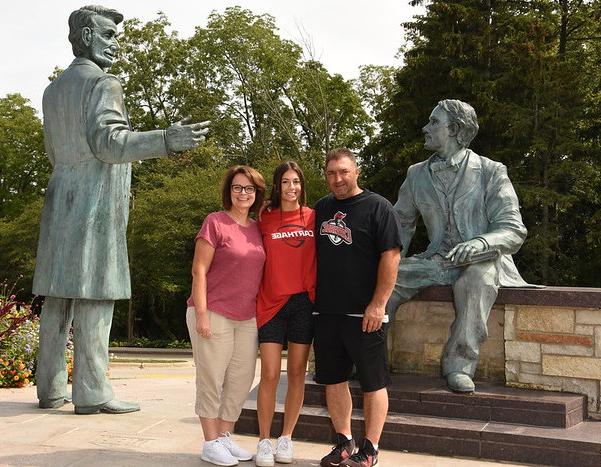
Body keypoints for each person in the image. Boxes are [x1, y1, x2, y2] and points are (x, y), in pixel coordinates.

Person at [33, 5, 209, 415]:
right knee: (95, 294)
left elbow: (52, 150)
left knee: (58, 298)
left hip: (60, 200)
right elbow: (110, 143)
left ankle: (50, 386)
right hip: (93, 201)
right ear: (88, 36)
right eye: (109, 35)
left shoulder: (52, 90)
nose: (116, 45)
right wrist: (167, 139)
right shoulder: (104, 83)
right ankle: (92, 392)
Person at [386, 99, 528, 393]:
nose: (425, 128)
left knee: (476, 279)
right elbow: (400, 223)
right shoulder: (416, 174)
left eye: (434, 122)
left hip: (483, 260)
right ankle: (371, 357)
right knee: (387, 277)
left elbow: (513, 229)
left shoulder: (491, 171)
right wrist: (386, 260)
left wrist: (480, 242)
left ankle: (459, 365)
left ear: (453, 128)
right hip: (437, 260)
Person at [314, 148, 402, 467]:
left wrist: (378, 304)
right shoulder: (322, 208)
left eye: (343, 171)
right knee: (333, 380)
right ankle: (343, 443)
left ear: (356, 172)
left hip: (366, 314)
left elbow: (391, 256)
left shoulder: (378, 207)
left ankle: (371, 449)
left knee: (373, 382)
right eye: (331, 173)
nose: (338, 178)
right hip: (327, 313)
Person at [186, 165, 266, 467]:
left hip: (246, 317)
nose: (243, 193)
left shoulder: (258, 227)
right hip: (213, 311)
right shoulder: (215, 222)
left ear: (256, 193)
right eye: (237, 187)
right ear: (229, 191)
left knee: (241, 379)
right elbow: (199, 270)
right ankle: (209, 442)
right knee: (211, 379)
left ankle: (224, 436)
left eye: (249, 188)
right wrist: (202, 314)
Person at [254, 161, 317, 467]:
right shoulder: (264, 217)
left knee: (295, 374)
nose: (291, 188)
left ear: (302, 185)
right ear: (277, 187)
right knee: (267, 374)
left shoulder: (313, 217)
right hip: (270, 305)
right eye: (285, 182)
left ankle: (286, 438)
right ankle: (264, 439)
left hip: (303, 303)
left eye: (296, 182)